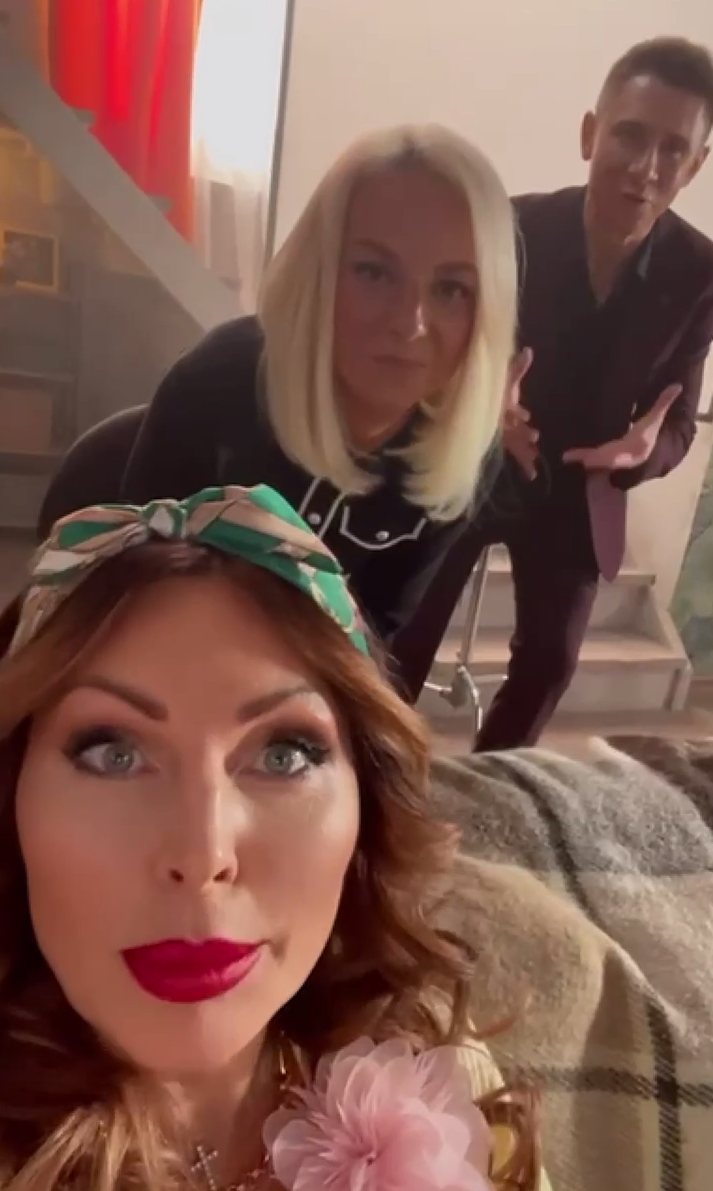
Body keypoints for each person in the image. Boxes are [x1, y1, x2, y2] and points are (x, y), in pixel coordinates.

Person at [0, 483, 546, 1191]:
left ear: (366, 804)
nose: (203, 855)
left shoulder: (440, 1078)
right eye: (113, 753)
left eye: (283, 754)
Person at [38, 124, 525, 660]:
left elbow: (373, 638)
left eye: (451, 289)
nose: (410, 324)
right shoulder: (221, 379)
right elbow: (135, 599)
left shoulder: (468, 454)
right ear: (320, 272)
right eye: (374, 273)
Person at [394, 36, 713, 745]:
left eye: (673, 149)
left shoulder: (699, 272)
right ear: (590, 133)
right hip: (475, 463)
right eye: (629, 135)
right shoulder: (506, 228)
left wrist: (640, 454)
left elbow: (677, 422)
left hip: (576, 494)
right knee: (401, 641)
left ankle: (496, 788)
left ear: (695, 165)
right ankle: (364, 773)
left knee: (549, 665)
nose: (646, 167)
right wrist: (479, 409)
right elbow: (429, 355)